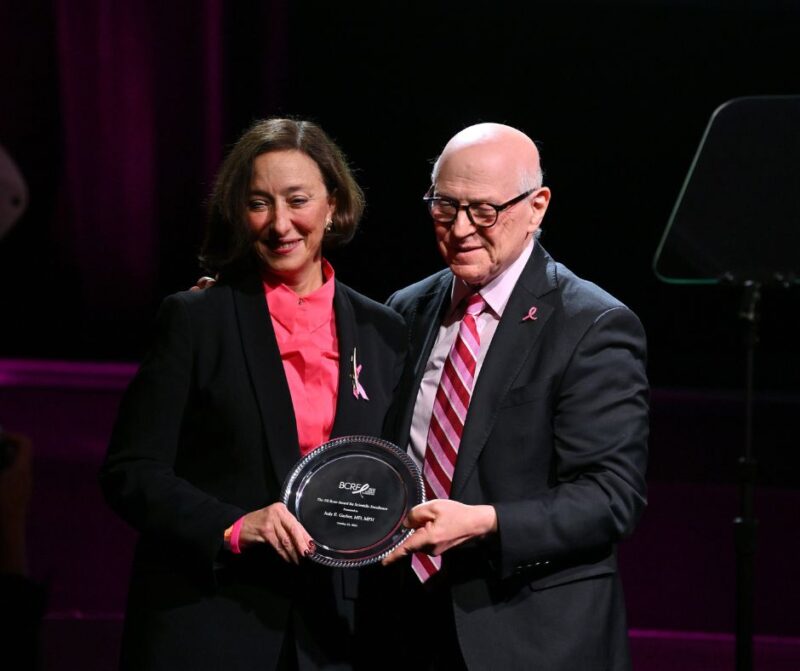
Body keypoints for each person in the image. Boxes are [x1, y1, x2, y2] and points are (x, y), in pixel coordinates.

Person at [100, 118, 406, 670]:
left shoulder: (384, 332)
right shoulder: (197, 318)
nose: (281, 224)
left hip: (333, 637)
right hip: (208, 626)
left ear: (333, 205)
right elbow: (131, 471)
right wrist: (236, 526)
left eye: (298, 200)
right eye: (260, 203)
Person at [377, 123, 649, 670]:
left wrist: (483, 521)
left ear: (537, 206)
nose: (459, 229)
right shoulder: (406, 309)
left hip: (528, 633)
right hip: (404, 621)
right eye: (444, 206)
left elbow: (610, 497)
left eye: (483, 211)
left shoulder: (591, 324)